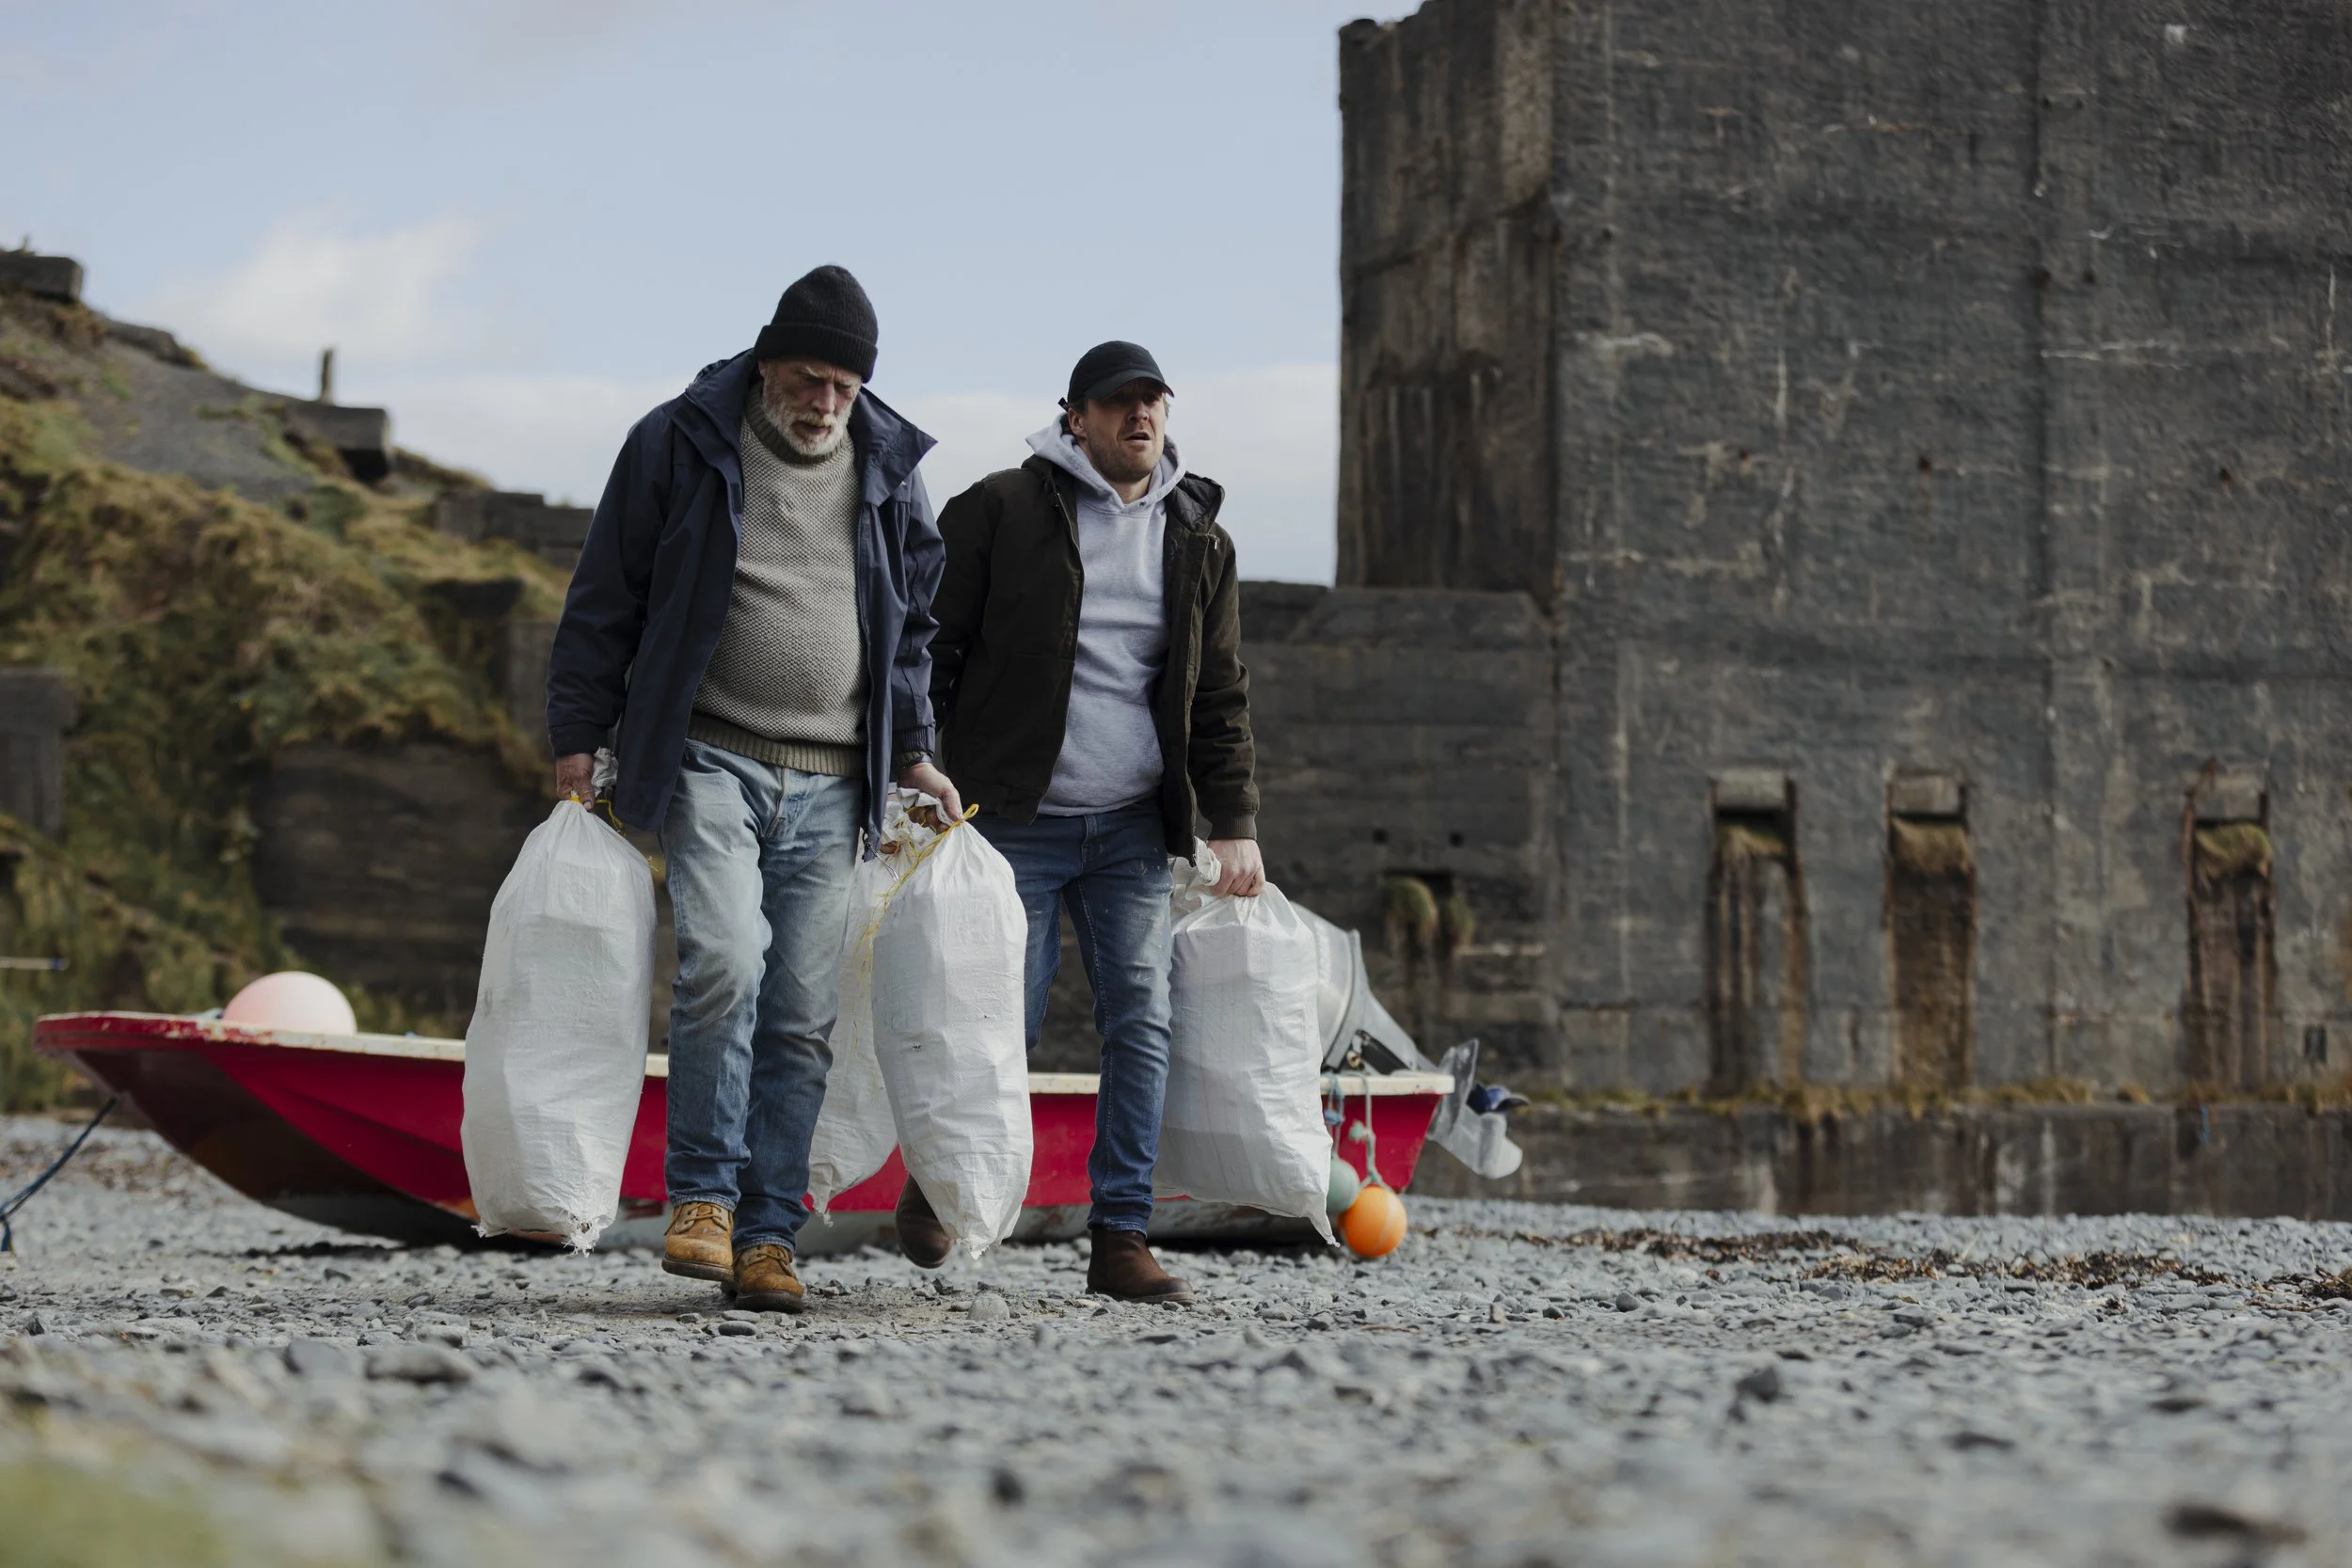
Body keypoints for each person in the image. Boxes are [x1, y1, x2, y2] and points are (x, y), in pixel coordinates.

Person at [546, 265, 961, 1314]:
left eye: (845, 388)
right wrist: (575, 738)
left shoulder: (890, 465)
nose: (825, 403)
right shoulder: (678, 440)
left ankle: (770, 1234)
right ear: (770, 361)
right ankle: (702, 1201)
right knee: (723, 961)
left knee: (804, 1013)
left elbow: (911, 624)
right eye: (810, 378)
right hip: (708, 754)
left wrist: (913, 747)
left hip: (836, 780)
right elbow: (605, 595)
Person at [922, 341, 1263, 1305]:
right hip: (1011, 821)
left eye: (1152, 401)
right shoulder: (999, 508)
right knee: (995, 1018)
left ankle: (1120, 1235)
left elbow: (1220, 692)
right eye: (1118, 403)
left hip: (1129, 829)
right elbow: (931, 650)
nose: (1139, 416)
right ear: (1073, 417)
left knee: (1142, 1021)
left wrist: (1231, 816)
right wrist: (915, 769)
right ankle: (943, 1184)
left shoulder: (1199, 535)